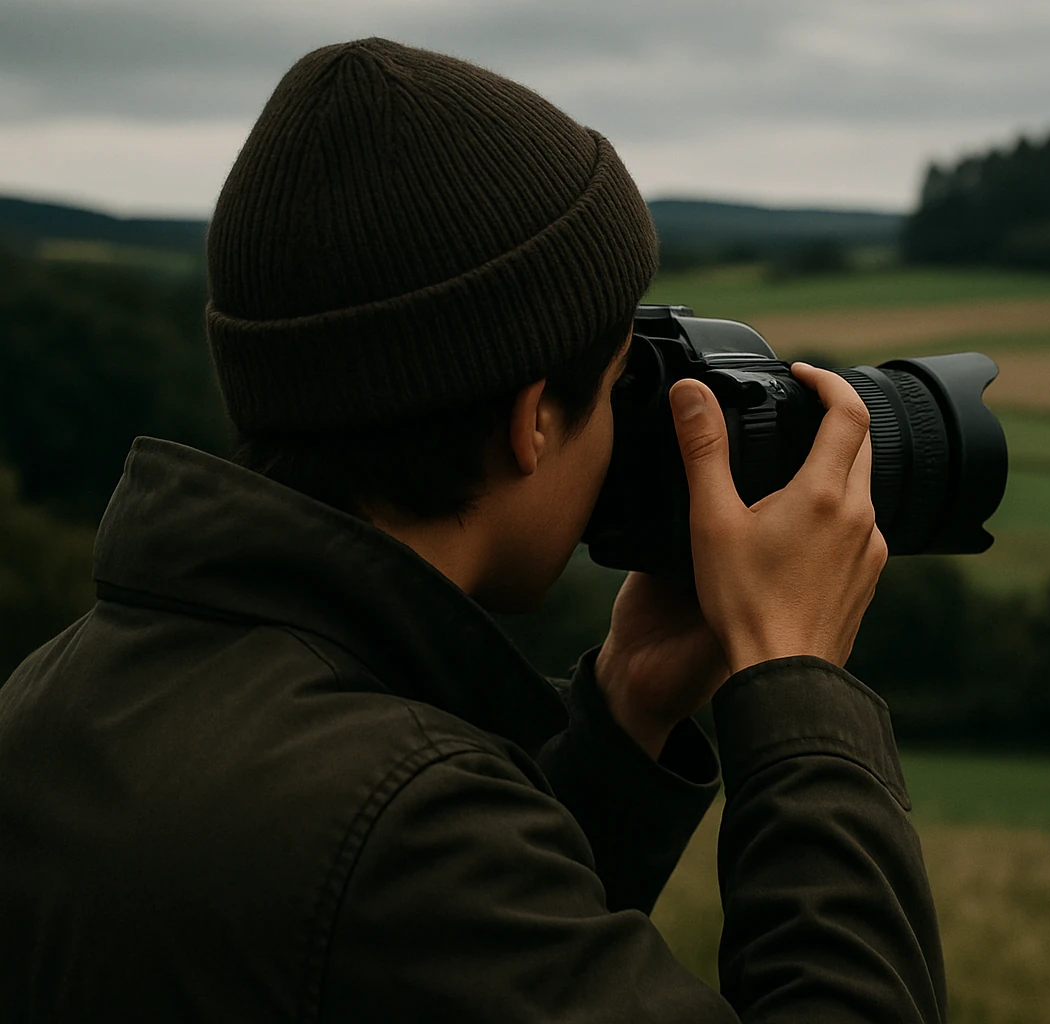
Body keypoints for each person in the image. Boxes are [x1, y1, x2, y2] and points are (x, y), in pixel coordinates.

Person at [0, 37, 945, 1022]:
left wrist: (621, 716)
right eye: (620, 381)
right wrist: (800, 689)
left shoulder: (50, 700)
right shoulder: (402, 831)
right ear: (531, 418)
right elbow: (397, 892)